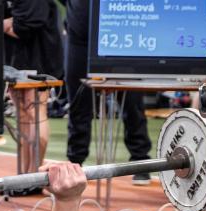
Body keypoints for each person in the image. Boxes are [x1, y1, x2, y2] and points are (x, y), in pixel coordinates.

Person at [62, 0, 152, 185]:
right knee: (78, 104)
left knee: (132, 103)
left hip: (120, 32)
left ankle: (141, 161)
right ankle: (74, 162)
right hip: (80, 38)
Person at [3, 0, 64, 174]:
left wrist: (6, 24)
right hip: (15, 57)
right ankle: (24, 175)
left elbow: (24, 28)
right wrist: (7, 24)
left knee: (35, 112)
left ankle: (34, 175)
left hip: (40, 56)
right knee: (22, 113)